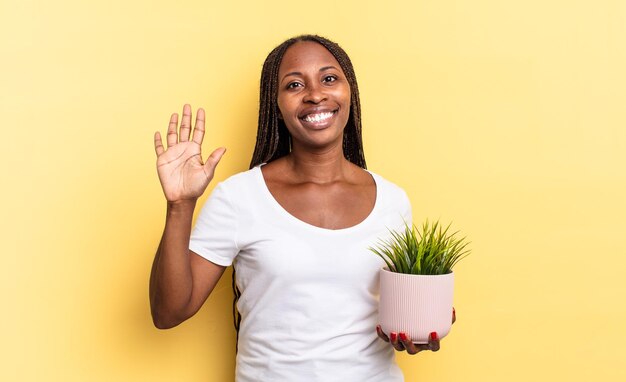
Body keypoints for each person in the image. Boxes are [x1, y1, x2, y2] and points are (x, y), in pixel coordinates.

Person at [149, 35, 453, 381]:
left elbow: (383, 313)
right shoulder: (239, 197)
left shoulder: (393, 200)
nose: (315, 94)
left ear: (349, 91)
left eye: (329, 78)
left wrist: (411, 330)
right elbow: (168, 312)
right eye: (294, 84)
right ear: (275, 105)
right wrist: (180, 205)